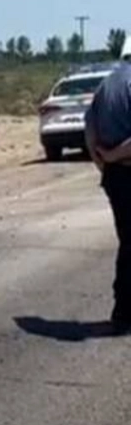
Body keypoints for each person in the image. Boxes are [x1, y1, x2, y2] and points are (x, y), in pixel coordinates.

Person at [85, 62, 131, 334]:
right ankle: (124, 312)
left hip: (115, 177)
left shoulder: (107, 85)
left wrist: (103, 162)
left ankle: (123, 311)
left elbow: (89, 128)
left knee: (127, 242)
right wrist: (114, 156)